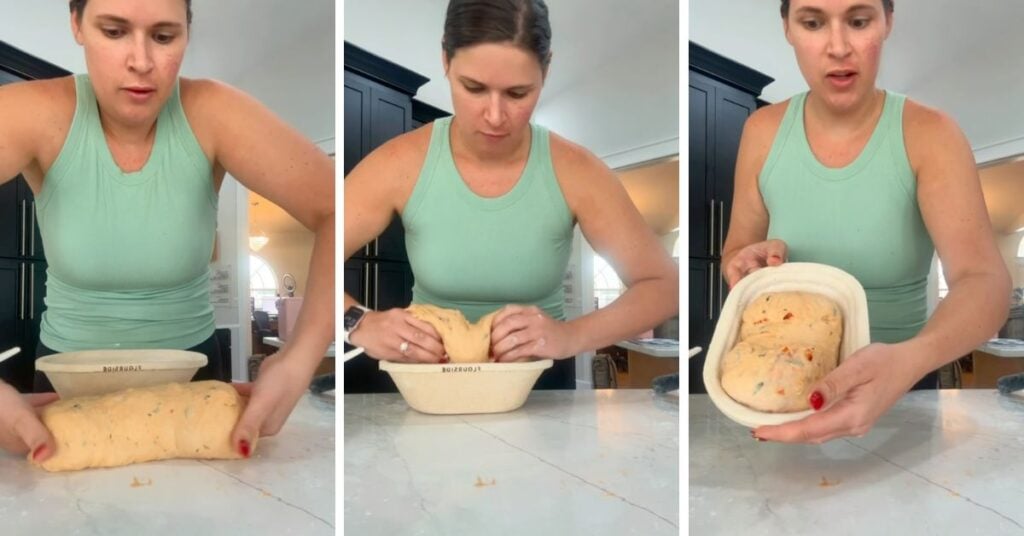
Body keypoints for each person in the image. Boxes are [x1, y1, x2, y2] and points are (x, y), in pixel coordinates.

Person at [0, 0, 334, 462]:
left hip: (192, 381)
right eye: (114, 32)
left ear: (187, 33)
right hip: (64, 382)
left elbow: (336, 208)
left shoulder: (214, 111)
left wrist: (300, 359)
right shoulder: (33, 112)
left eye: (163, 36)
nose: (141, 61)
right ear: (76, 25)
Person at [343, 0, 678, 389]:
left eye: (518, 93)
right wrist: (359, 321)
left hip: (540, 385)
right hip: (430, 383)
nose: (495, 116)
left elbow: (664, 286)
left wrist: (570, 336)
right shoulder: (397, 163)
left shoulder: (578, 172)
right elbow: (323, 257)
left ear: (546, 70)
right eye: (473, 88)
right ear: (445, 62)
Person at [723, 0, 1010, 443]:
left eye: (858, 22)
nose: (838, 47)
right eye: (813, 22)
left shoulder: (931, 134)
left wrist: (910, 360)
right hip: (779, 388)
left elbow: (985, 282)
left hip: (902, 391)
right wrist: (744, 263)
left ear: (887, 22)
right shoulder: (760, 131)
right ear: (787, 28)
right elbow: (736, 251)